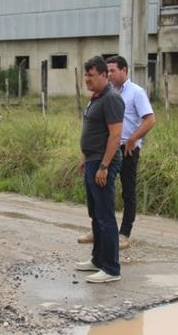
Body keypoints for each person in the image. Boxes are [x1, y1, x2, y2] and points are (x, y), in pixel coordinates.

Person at [77, 55, 156, 250]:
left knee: (128, 191)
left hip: (127, 149)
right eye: (108, 70)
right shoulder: (105, 93)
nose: (110, 74)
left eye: (113, 70)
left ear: (125, 71)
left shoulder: (136, 92)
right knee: (102, 192)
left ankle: (124, 233)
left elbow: (149, 119)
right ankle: (98, 230)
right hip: (105, 150)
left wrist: (132, 139)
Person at [74, 55, 124, 283]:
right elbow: (92, 130)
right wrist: (85, 157)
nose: (87, 79)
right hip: (92, 160)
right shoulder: (96, 97)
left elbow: (115, 135)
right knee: (95, 214)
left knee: (105, 216)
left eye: (91, 75)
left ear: (104, 75)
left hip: (104, 163)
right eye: (86, 75)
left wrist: (104, 165)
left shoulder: (111, 99)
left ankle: (111, 268)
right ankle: (97, 259)